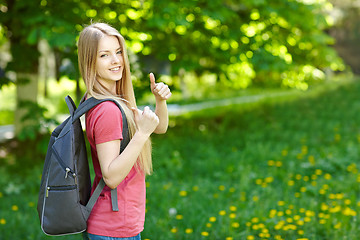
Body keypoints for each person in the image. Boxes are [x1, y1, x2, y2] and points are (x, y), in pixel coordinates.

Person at [77, 22, 172, 240]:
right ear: (90, 60)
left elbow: (160, 127)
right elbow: (111, 176)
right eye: (104, 55)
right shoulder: (107, 110)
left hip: (117, 225)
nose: (116, 60)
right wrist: (141, 135)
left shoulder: (108, 100)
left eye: (118, 52)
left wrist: (160, 101)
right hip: (113, 228)